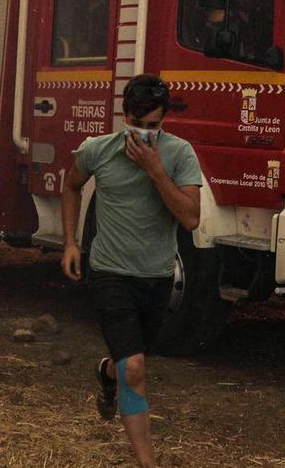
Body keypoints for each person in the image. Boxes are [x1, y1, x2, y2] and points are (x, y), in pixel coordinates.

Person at [60, 73, 202, 468]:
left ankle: (106, 373)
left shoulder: (180, 154)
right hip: (109, 272)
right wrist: (71, 242)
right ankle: (147, 463)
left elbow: (191, 219)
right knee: (136, 370)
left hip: (157, 277)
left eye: (152, 127)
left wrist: (156, 170)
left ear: (164, 120)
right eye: (136, 125)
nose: (142, 134)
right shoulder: (97, 150)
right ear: (124, 116)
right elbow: (71, 186)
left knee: (129, 364)